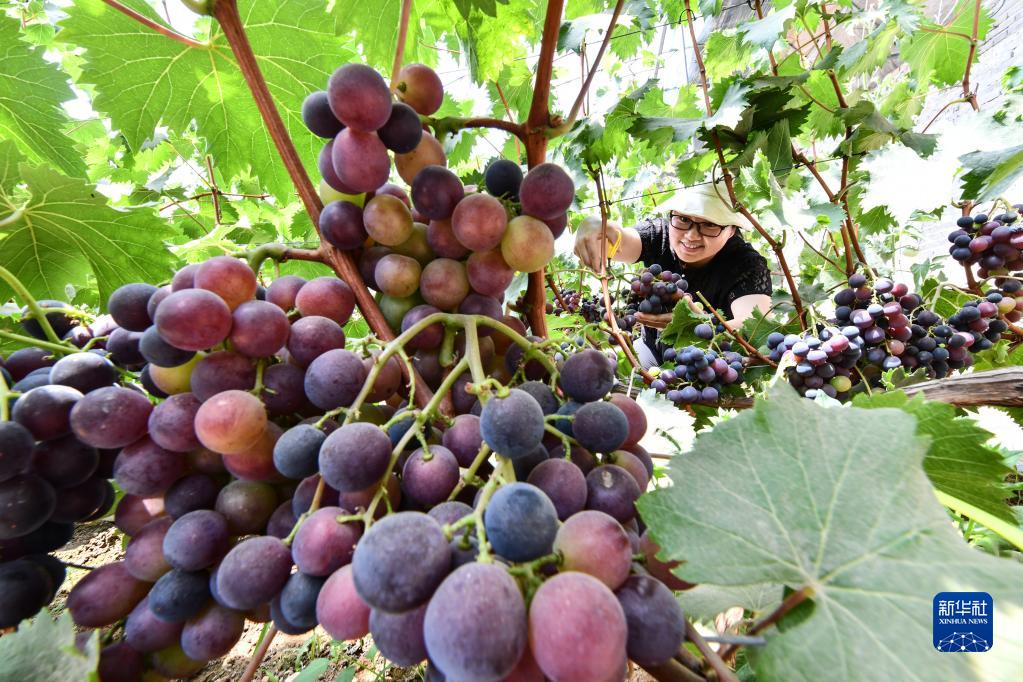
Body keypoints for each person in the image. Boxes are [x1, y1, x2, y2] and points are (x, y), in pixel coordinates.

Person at [574, 184, 772, 368]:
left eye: (710, 224)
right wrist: (595, 228)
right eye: (684, 219)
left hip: (703, 368)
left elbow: (754, 328)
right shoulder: (660, 235)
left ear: (731, 231)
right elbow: (619, 240)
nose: (692, 235)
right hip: (649, 350)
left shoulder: (746, 263)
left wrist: (695, 323)